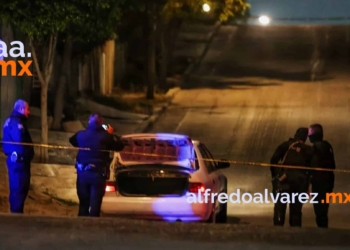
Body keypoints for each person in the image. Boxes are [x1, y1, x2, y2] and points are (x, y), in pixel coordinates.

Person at [69, 113, 124, 217]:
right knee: (95, 205)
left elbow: (72, 141)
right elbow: (119, 146)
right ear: (101, 123)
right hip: (98, 174)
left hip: (82, 174)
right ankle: (93, 229)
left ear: (89, 122)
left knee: (83, 204)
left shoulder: (80, 134)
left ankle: (80, 227)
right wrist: (110, 134)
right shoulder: (106, 136)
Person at [270, 127, 313, 227]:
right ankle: (295, 234)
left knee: (280, 208)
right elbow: (311, 170)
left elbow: (273, 160)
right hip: (300, 183)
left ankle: (277, 231)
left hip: (283, 181)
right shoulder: (308, 149)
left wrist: (275, 176)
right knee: (296, 211)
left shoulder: (285, 145)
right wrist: (307, 186)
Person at [2, 99, 34, 213]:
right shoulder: (17, 123)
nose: (28, 112)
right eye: (27, 109)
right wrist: (28, 153)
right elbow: (20, 141)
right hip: (19, 162)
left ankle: (16, 216)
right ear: (21, 109)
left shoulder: (12, 120)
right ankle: (16, 218)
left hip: (17, 161)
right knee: (19, 189)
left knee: (18, 190)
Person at [308, 123, 335, 228]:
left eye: (310, 133)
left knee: (319, 209)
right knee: (324, 207)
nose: (308, 136)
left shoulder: (315, 148)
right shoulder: (327, 146)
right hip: (328, 181)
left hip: (319, 182)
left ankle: (322, 231)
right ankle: (324, 228)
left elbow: (312, 166)